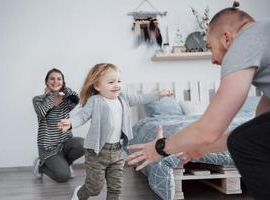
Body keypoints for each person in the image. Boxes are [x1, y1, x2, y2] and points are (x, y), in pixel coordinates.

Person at [126, 2, 270, 200]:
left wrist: (160, 147)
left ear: (227, 39)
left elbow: (209, 130)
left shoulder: (244, 41)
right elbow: (256, 133)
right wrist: (197, 150)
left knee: (243, 140)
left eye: (210, 47)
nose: (213, 59)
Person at [57, 63, 173, 200]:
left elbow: (140, 98)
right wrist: (70, 123)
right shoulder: (95, 101)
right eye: (111, 82)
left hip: (117, 151)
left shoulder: (122, 98)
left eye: (118, 81)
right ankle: (79, 194)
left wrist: (159, 94)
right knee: (94, 188)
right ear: (97, 86)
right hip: (97, 152)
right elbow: (82, 116)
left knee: (116, 187)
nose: (116, 85)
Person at [32, 68, 84, 183]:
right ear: (46, 82)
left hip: (65, 143)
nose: (55, 81)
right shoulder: (38, 99)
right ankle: (41, 166)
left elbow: (76, 99)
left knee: (83, 144)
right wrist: (50, 96)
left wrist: (64, 90)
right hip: (48, 148)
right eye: (52, 79)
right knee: (63, 176)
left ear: (63, 82)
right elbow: (42, 112)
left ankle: (66, 163)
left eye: (59, 79)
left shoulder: (66, 100)